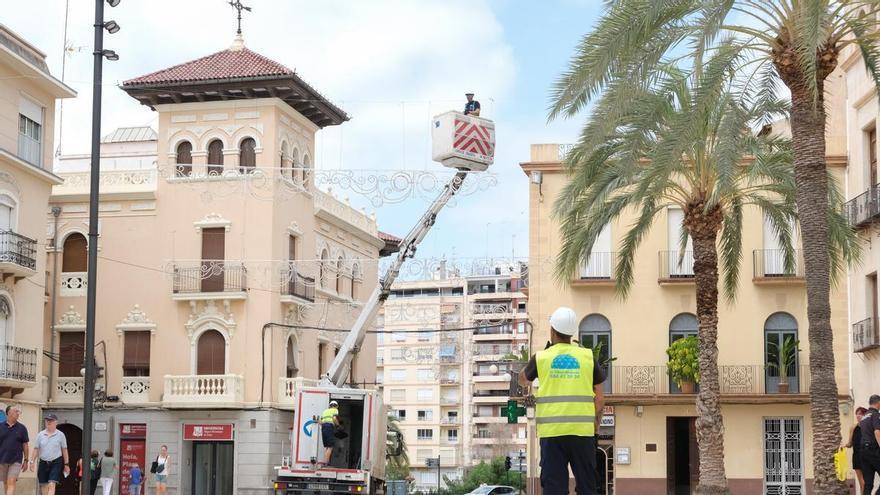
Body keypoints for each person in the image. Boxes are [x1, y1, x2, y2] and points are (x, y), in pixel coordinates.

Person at [518, 307, 605, 495]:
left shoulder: (541, 358)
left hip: (552, 435)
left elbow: (523, 379)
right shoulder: (588, 357)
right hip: (583, 434)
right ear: (572, 332)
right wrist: (595, 429)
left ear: (552, 331)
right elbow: (599, 402)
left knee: (554, 488)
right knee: (588, 487)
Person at [29, 414, 70, 495]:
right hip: (43, 462)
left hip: (56, 462)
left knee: (51, 484)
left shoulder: (61, 435)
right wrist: (32, 462)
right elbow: (36, 449)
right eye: (47, 420)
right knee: (43, 485)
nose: (48, 422)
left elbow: (64, 450)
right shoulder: (40, 434)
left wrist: (66, 464)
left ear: (56, 422)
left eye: (50, 420)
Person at [0, 405, 29, 495]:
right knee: (5, 483)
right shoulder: (0, 427)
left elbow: (25, 445)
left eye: (18, 411)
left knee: (11, 481)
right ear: (8, 413)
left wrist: (26, 460)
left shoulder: (22, 428)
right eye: (15, 411)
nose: (18, 413)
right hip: (2, 460)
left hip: (16, 460)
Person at [860, 395, 880, 495]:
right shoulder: (875, 414)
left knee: (868, 483)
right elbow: (877, 432)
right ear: (878, 402)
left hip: (863, 451)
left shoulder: (864, 417)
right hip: (873, 449)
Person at [847, 407, 868, 492]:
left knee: (866, 482)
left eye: (861, 414)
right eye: (857, 414)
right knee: (861, 482)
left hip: (866, 456)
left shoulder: (868, 427)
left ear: (865, 415)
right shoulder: (853, 427)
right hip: (856, 456)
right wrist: (845, 445)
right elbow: (850, 443)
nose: (858, 416)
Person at [320, 400, 340, 465]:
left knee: (326, 446)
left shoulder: (325, 411)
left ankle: (325, 462)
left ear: (329, 406)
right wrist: (337, 425)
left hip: (323, 427)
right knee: (330, 446)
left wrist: (324, 425)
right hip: (329, 427)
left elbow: (320, 421)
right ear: (336, 406)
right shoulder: (335, 410)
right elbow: (334, 418)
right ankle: (326, 462)